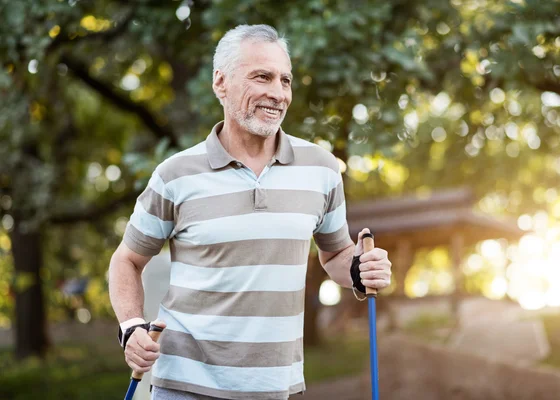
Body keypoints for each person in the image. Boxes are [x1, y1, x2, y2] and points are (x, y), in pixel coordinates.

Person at [108, 24, 392, 400]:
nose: (277, 93)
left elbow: (336, 254)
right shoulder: (175, 175)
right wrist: (131, 326)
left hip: (277, 387)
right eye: (262, 77)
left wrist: (359, 269)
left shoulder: (322, 169)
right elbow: (126, 260)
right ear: (220, 82)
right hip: (185, 386)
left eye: (285, 80)